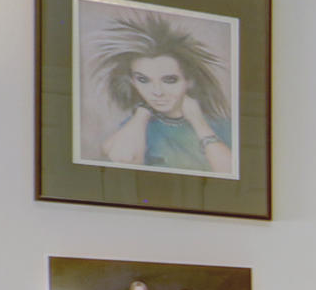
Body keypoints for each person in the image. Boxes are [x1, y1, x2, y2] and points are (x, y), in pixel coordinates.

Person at [89, 12, 237, 175]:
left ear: (190, 80)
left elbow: (233, 175)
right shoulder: (137, 127)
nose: (157, 92)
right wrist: (142, 113)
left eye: (169, 80)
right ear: (132, 81)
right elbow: (123, 159)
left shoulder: (223, 125)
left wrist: (199, 122)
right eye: (143, 80)